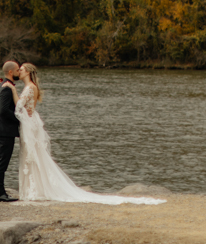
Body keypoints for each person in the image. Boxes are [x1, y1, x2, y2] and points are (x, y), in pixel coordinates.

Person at [12, 63, 165, 205]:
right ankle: (33, 188)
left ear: (28, 72)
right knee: (31, 156)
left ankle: (35, 189)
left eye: (22, 69)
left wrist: (11, 90)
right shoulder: (29, 87)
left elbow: (19, 105)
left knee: (33, 156)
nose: (20, 71)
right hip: (30, 123)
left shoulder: (30, 87)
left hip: (30, 125)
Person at [0, 60, 20, 202]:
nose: (19, 72)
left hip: (1, 129)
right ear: (10, 72)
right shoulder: (7, 88)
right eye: (18, 70)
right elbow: (4, 111)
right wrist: (20, 119)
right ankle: (0, 193)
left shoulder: (3, 86)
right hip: (5, 130)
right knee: (2, 162)